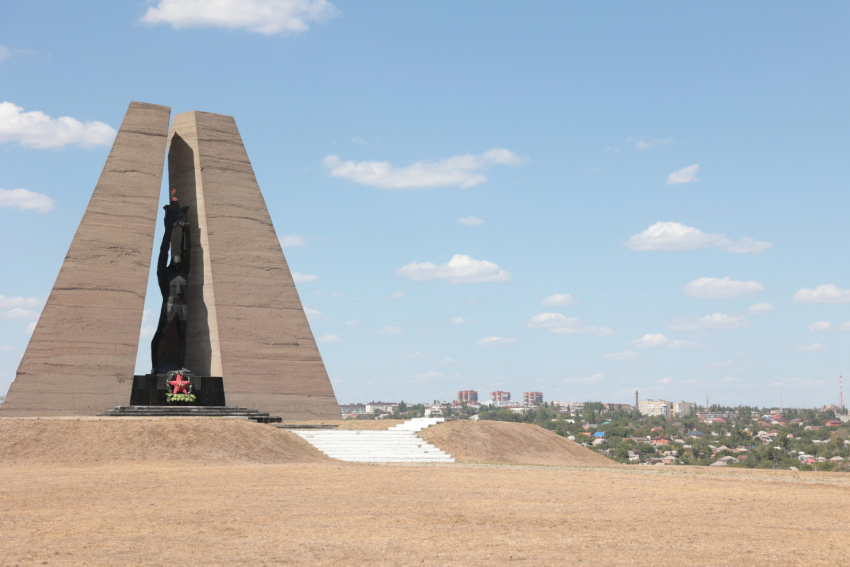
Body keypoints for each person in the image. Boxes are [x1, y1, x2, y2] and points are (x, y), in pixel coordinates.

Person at [150, 188, 191, 373]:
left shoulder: (184, 271)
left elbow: (186, 250)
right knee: (162, 333)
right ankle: (157, 366)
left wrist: (185, 228)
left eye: (179, 257)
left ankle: (181, 366)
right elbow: (163, 251)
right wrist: (168, 228)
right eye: (174, 257)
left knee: (183, 336)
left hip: (183, 307)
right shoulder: (164, 273)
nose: (178, 257)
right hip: (169, 305)